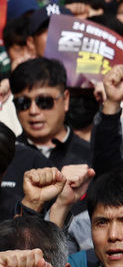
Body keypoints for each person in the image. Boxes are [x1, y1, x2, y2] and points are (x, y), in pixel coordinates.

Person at [0, 57, 93, 215]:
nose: (33, 111)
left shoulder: (90, 156)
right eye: (23, 103)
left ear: (65, 100)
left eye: (44, 101)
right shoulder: (6, 156)